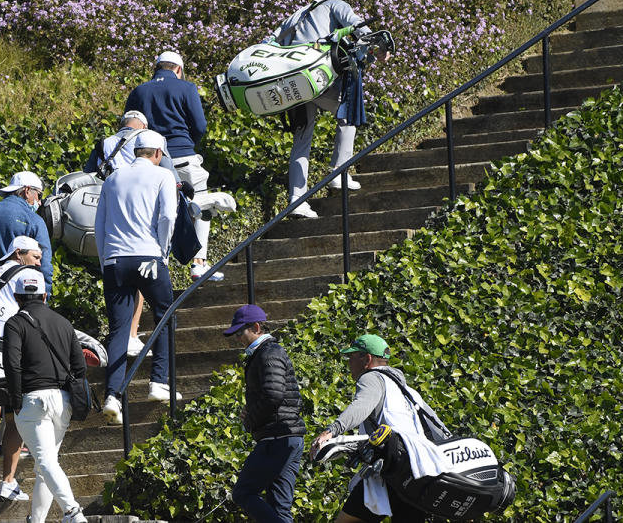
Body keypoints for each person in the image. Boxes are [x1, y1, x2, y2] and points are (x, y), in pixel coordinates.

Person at [264, 0, 384, 219]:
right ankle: (339, 172)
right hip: (315, 77)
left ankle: (296, 201)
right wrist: (379, 46)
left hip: (291, 82)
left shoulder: (297, 15)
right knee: (348, 113)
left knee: (302, 140)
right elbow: (358, 27)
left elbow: (271, 43)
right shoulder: (334, 3)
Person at [309, 334, 447, 522]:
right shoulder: (405, 389)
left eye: (352, 357)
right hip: (417, 469)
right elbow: (436, 426)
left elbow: (361, 406)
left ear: (366, 359)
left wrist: (331, 430)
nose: (349, 363)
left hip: (391, 469)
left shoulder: (372, 378)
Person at [94, 129, 182, 425]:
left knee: (119, 329)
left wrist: (105, 259)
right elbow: (168, 216)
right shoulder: (162, 177)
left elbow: (100, 225)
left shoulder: (112, 179)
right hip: (149, 257)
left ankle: (113, 395)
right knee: (165, 314)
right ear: (158, 153)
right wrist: (163, 251)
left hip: (115, 260)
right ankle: (159, 381)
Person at [125, 50, 223, 281]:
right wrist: (188, 143)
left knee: (157, 211)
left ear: (157, 68)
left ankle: (159, 261)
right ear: (178, 69)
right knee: (203, 207)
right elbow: (199, 124)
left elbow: (129, 129)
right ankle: (198, 262)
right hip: (182, 156)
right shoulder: (187, 88)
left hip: (151, 160)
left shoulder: (139, 90)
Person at [2, 269, 88, 523]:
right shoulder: (63, 322)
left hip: (33, 400)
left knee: (46, 462)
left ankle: (72, 512)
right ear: (45, 295)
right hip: (62, 402)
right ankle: (36, 521)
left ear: (17, 297)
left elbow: (12, 364)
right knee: (44, 466)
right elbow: (80, 367)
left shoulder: (15, 323)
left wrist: (15, 399)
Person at [0, 236, 41, 502]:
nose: (39, 262)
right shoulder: (29, 276)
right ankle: (9, 482)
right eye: (36, 256)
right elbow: (37, 313)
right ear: (19, 253)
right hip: (16, 351)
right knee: (15, 415)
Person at [226, 305, 306, 523]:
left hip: (277, 437)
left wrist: (251, 419)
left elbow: (273, 395)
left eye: (240, 332)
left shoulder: (268, 353)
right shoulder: (266, 353)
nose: (237, 339)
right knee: (279, 508)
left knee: (243, 492)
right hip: (289, 437)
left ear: (257, 327)